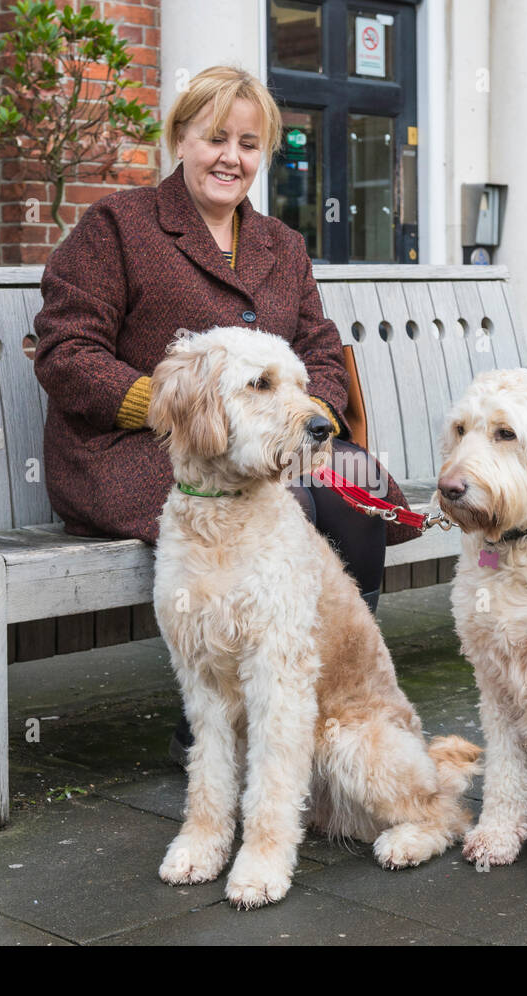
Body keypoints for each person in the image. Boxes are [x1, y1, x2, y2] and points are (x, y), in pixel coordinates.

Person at [32, 65, 421, 762]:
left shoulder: (283, 246)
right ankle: (211, 726)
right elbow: (67, 352)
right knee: (291, 504)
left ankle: (330, 693)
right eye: (215, 138)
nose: (231, 158)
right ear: (180, 138)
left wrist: (303, 419)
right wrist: (187, 410)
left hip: (266, 449)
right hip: (146, 451)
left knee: (351, 483)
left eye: (249, 144)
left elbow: (322, 355)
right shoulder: (117, 227)